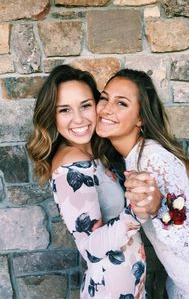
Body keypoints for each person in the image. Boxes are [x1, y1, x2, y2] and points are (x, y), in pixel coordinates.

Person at [95, 68, 189, 299]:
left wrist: (158, 205)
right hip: (185, 279)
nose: (106, 109)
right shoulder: (131, 156)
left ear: (140, 117)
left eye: (121, 103)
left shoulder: (154, 158)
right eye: (104, 98)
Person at [27, 65, 147, 299]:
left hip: (129, 287)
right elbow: (91, 248)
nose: (79, 119)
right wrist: (140, 210)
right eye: (64, 110)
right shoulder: (72, 163)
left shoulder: (93, 151)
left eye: (85, 105)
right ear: (51, 115)